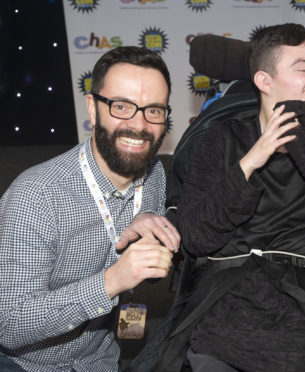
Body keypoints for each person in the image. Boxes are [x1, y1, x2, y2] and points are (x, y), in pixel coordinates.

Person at [136, 23, 305, 372]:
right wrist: (252, 160)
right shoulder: (219, 139)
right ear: (264, 81)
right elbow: (195, 237)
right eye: (303, 68)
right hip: (227, 287)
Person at [0, 46, 180, 371]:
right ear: (93, 109)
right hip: (25, 364)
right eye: (122, 106)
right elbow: (9, 325)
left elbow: (145, 277)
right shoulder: (37, 196)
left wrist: (153, 244)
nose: (139, 126)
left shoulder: (154, 176)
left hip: (100, 359)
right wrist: (112, 281)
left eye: (154, 110)